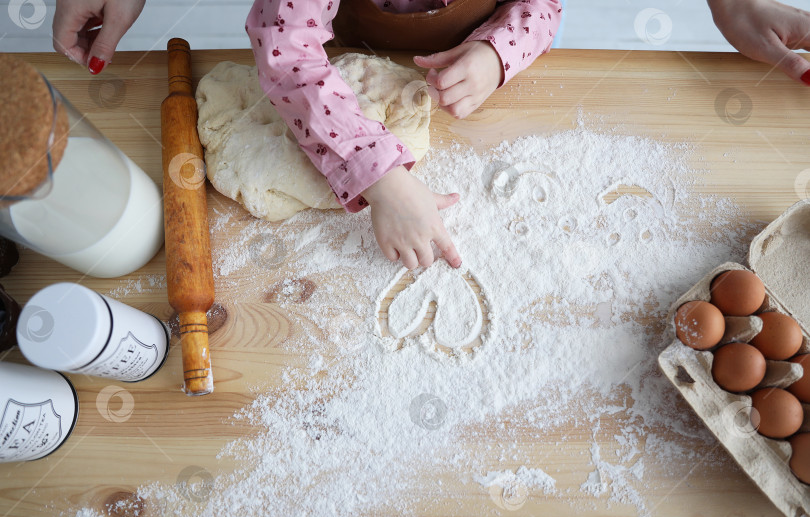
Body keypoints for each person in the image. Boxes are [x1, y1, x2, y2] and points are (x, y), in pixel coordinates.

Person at [53, 0, 810, 268]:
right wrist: (380, 174)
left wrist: (497, 50)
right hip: (344, 50)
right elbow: (284, 53)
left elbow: (541, 4)